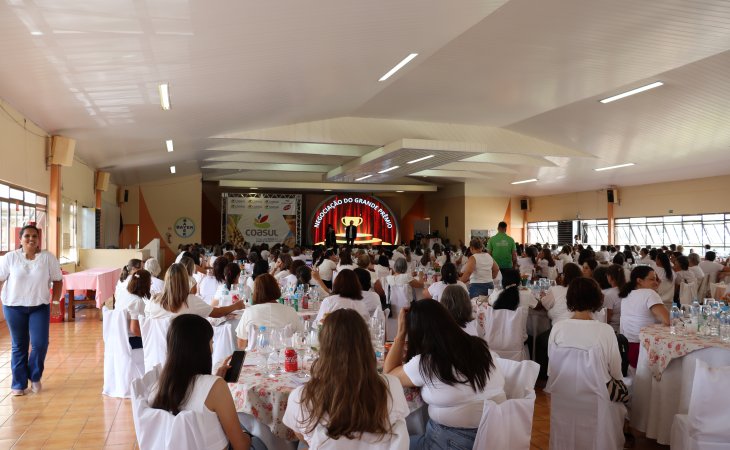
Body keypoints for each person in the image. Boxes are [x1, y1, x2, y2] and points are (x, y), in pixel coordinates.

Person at [385, 299, 505, 449]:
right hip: (497, 434)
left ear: (417, 331)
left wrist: (401, 333)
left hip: (453, 441)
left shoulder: (428, 362)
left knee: (390, 443)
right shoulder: (479, 346)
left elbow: (389, 374)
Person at [283, 309, 409, 448]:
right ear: (367, 344)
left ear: (323, 347)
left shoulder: (302, 397)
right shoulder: (392, 387)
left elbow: (300, 435)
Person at [149, 314, 253, 450]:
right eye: (211, 342)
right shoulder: (216, 387)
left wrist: (214, 379)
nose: (212, 347)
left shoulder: (159, 386)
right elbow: (240, 446)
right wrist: (248, 435)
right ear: (202, 348)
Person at [0, 225, 63, 396]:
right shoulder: (10, 258)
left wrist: (56, 301)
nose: (31, 239)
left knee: (40, 344)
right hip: (14, 307)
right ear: (20, 239)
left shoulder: (48, 258)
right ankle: (19, 383)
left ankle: (34, 376)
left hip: (39, 307)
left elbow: (58, 280)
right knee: (19, 345)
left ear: (38, 239)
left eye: (34, 236)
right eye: (27, 236)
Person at [548, 277, 624, 387]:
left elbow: (552, 369)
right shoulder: (606, 330)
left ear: (569, 298)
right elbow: (616, 373)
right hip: (598, 397)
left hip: (563, 394)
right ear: (597, 299)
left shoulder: (557, 328)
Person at [145, 263, 243, 320]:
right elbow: (216, 313)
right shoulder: (190, 301)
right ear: (186, 280)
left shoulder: (153, 300)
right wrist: (236, 306)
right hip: (181, 351)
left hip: (155, 351)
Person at [618, 266, 670, 367]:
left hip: (626, 347)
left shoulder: (627, 294)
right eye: (652, 279)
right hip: (644, 347)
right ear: (639, 280)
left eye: (656, 279)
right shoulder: (649, 294)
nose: (656, 282)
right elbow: (667, 320)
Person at [235, 274, 302, 349]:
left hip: (255, 358)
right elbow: (301, 337)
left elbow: (241, 344)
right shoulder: (290, 311)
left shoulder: (249, 312)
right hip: (285, 357)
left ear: (256, 291)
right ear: (276, 288)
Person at [115, 269, 151, 347]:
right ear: (145, 284)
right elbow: (134, 329)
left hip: (117, 337)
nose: (151, 284)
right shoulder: (137, 301)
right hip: (129, 340)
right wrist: (148, 337)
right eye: (150, 282)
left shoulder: (122, 294)